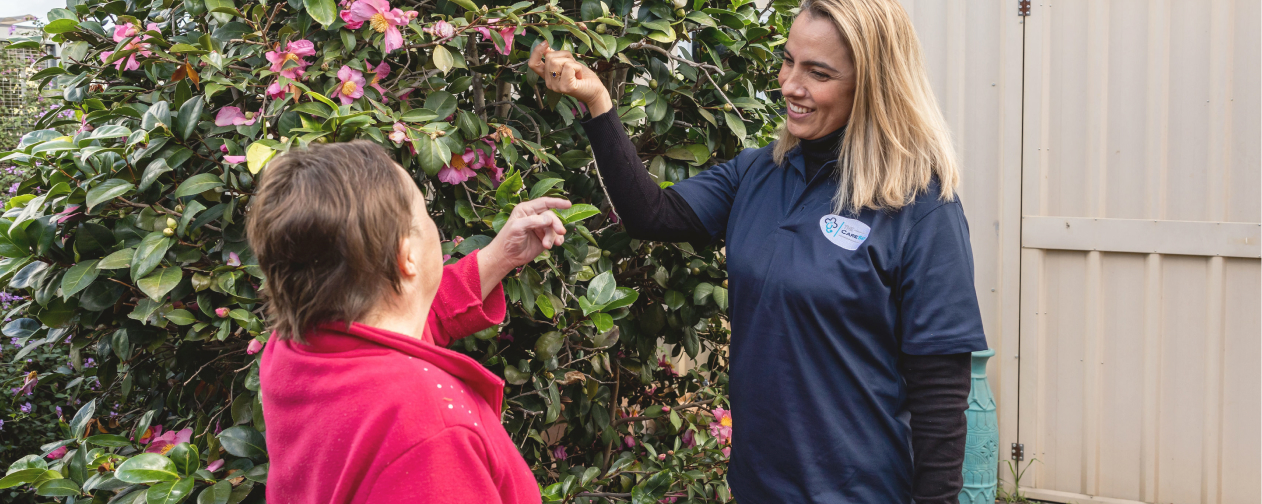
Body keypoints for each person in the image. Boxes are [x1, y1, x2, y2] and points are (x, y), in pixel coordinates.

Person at [528, 0, 988, 502]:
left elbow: (940, 393)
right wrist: (595, 99)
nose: (791, 85)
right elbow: (650, 215)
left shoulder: (919, 206)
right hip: (758, 487)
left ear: (871, 84)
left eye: (818, 72)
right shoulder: (757, 173)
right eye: (789, 61)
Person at [248, 141, 567, 503]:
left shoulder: (296, 347)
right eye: (427, 215)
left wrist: (498, 258)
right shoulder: (429, 428)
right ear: (406, 256)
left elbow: (401, 318)